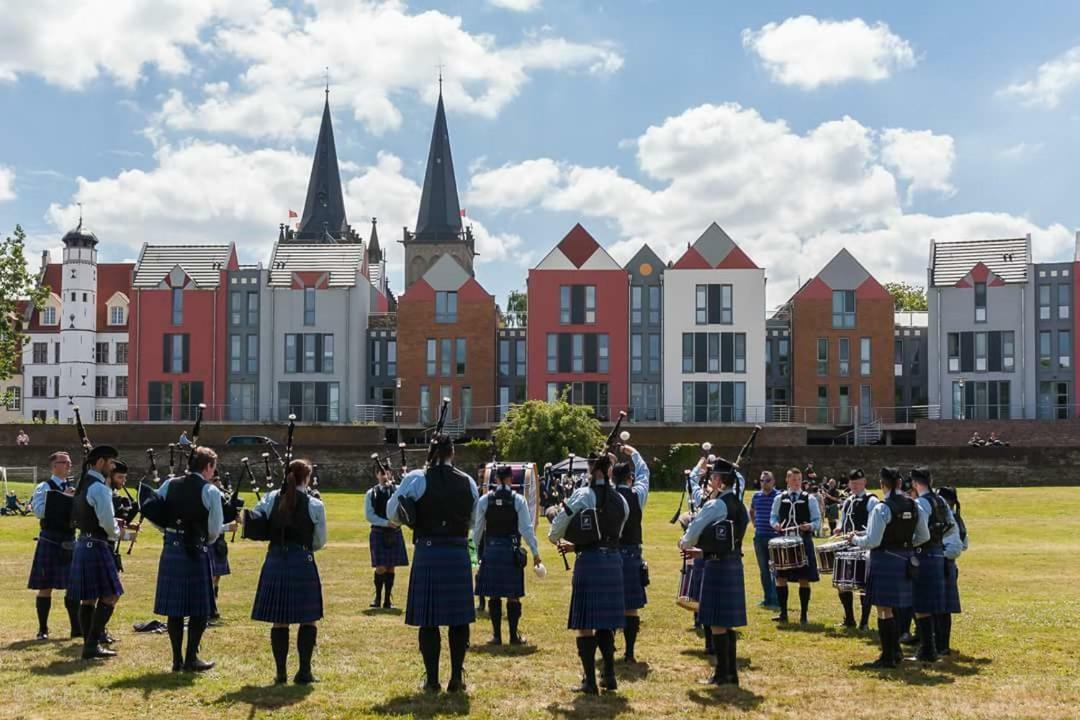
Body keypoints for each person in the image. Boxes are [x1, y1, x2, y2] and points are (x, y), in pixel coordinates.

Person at [388, 435, 479, 693]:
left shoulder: (416, 479)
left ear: (430, 453)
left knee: (429, 619)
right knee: (459, 619)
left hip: (428, 552)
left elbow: (391, 513)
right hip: (458, 551)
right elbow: (473, 520)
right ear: (453, 453)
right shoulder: (468, 482)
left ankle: (431, 680)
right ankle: (456, 679)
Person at [549, 452, 629, 694]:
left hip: (590, 562)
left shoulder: (583, 495)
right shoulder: (621, 501)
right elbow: (615, 534)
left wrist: (566, 539)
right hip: (613, 562)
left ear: (592, 470)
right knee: (606, 622)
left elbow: (556, 529)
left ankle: (590, 681)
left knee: (586, 623)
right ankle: (610, 675)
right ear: (610, 471)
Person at [250, 459, 327, 684]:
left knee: (279, 619)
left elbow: (256, 523)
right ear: (307, 478)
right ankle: (304, 672)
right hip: (302, 560)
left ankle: (281, 673)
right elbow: (320, 541)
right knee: (308, 618)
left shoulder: (269, 498)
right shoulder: (315, 505)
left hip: (275, 559)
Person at [149, 447, 224, 672]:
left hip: (172, 547)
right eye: (214, 468)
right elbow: (215, 528)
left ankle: (176, 660)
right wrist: (207, 541)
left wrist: (167, 530)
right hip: (195, 548)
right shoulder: (210, 490)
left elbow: (152, 510)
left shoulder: (169, 484)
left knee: (176, 609)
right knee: (199, 609)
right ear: (208, 467)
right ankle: (191, 658)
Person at [679, 457, 749, 686]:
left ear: (719, 480)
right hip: (733, 563)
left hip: (717, 566)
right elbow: (728, 539)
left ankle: (721, 673)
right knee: (727, 623)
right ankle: (731, 673)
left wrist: (685, 543)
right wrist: (703, 552)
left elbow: (693, 530)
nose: (711, 482)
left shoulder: (716, 505)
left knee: (718, 622)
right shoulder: (740, 505)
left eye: (713, 478)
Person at [850, 467, 930, 669]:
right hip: (906, 561)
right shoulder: (914, 505)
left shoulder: (882, 508)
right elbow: (924, 537)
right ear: (901, 484)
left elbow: (872, 541)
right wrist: (907, 545)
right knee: (893, 608)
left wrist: (854, 539)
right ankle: (896, 652)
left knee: (884, 610)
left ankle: (888, 656)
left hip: (884, 560)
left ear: (882, 484)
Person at [472, 464, 542, 646]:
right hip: (511, 551)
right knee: (513, 595)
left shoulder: (485, 500)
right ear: (511, 479)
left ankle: (496, 636)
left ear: (495, 479)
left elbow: (478, 529)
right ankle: (513, 636)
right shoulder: (518, 500)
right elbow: (526, 529)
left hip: (492, 550)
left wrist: (473, 552)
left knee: (493, 595)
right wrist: (535, 552)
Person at [68, 444, 123, 660]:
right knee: (111, 595)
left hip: (83, 542)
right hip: (98, 544)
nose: (112, 467)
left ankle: (89, 644)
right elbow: (108, 523)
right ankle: (93, 642)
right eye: (111, 463)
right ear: (100, 462)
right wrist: (117, 533)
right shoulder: (100, 488)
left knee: (88, 598)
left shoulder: (83, 484)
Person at [908, 467, 962, 663]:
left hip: (925, 555)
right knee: (935, 604)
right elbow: (951, 526)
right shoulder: (940, 501)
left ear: (914, 483)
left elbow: (919, 532)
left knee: (922, 604)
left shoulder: (921, 503)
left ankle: (927, 649)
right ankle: (933, 647)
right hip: (939, 554)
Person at [27, 451, 80, 640]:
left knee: (73, 585)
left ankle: (76, 628)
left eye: (69, 462)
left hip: (69, 539)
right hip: (50, 539)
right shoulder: (44, 487)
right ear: (53, 466)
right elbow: (40, 511)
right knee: (45, 585)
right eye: (64, 462)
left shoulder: (72, 487)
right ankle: (43, 629)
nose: (68, 465)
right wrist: (62, 498)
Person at [612, 443, 650, 662]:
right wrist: (633, 452)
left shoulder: (606, 496)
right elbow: (645, 473)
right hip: (632, 555)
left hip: (612, 555)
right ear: (630, 479)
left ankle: (610, 648)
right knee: (632, 607)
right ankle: (629, 652)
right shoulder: (638, 495)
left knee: (610, 603)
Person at [769, 467, 821, 624]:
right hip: (783, 541)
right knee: (780, 578)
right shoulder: (779, 498)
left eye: (798, 480)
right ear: (787, 480)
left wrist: (810, 526)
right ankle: (783, 613)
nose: (796, 483)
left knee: (803, 578)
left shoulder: (809, 499)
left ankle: (803, 615)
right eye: (793, 479)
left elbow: (818, 521)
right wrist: (776, 524)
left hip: (803, 541)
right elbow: (773, 517)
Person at [834, 469, 877, 630]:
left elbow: (875, 526)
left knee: (863, 584)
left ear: (864, 482)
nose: (855, 487)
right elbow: (842, 520)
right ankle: (849, 618)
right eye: (852, 484)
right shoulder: (848, 500)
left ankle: (864, 622)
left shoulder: (872, 501)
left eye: (858, 484)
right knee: (842, 582)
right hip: (847, 546)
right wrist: (838, 528)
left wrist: (860, 534)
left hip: (863, 547)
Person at [365, 460, 409, 609]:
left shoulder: (397, 490)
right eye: (381, 473)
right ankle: (377, 597)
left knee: (391, 567)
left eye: (387, 472)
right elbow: (369, 515)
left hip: (395, 531)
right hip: (379, 532)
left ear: (391, 473)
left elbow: (406, 504)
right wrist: (386, 523)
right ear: (376, 475)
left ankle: (387, 600)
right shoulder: (371, 493)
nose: (384, 475)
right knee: (381, 567)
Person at [103, 460, 136, 644]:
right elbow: (108, 527)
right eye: (120, 477)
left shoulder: (113, 495)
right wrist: (127, 535)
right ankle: (96, 631)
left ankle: (98, 631)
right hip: (103, 546)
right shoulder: (105, 495)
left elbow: (116, 524)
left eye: (124, 477)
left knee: (108, 593)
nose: (123, 481)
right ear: (111, 476)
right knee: (110, 592)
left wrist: (129, 529)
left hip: (109, 548)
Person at [935, 486, 967, 656]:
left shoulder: (950, 520)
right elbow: (965, 544)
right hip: (949, 565)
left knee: (939, 608)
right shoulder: (957, 519)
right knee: (942, 608)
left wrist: (938, 554)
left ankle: (941, 645)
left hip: (943, 563)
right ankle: (941, 645)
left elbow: (960, 545)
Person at [208, 473, 237, 623]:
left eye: (218, 480)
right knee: (211, 576)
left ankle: (213, 602)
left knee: (217, 576)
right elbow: (209, 526)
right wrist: (227, 528)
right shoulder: (206, 497)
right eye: (214, 480)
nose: (218, 483)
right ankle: (209, 607)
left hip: (219, 543)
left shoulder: (221, 497)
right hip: (210, 540)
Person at [749, 471, 779, 610]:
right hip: (759, 537)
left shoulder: (778, 496)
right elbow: (751, 510)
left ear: (773, 481)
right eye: (762, 481)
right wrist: (755, 523)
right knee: (764, 570)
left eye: (767, 480)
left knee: (775, 570)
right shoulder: (756, 496)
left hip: (774, 537)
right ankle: (767, 598)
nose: (764, 483)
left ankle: (777, 599)